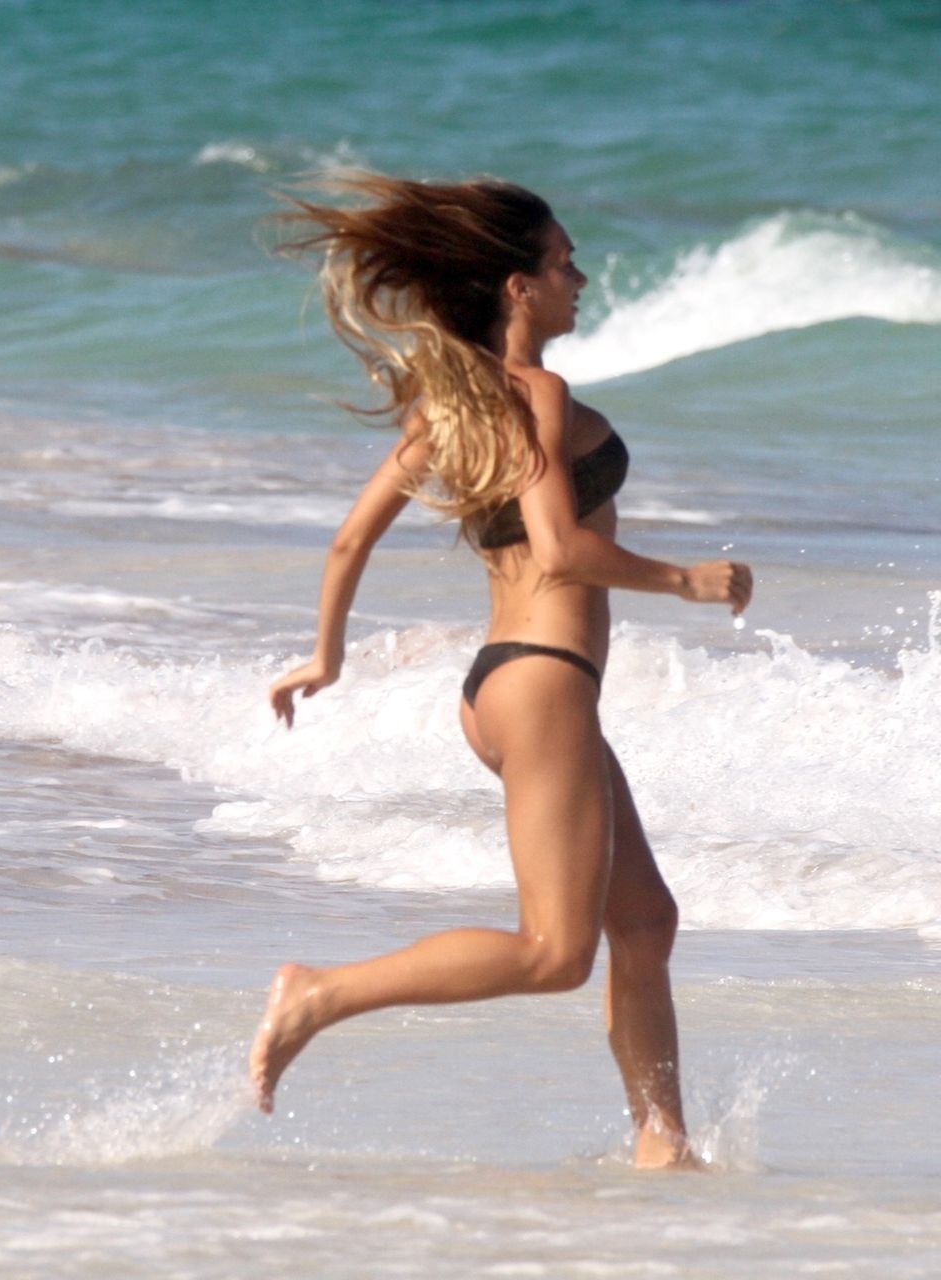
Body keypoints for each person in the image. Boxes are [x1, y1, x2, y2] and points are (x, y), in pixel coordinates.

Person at [250, 173, 752, 1169]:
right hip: (546, 679)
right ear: (517, 289)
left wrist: (326, 653)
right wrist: (686, 578)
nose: (582, 277)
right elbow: (561, 549)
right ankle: (319, 990)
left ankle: (664, 1143)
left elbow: (349, 540)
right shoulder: (538, 394)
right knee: (555, 952)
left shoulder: (452, 407)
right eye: (564, 261)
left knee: (644, 918)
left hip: (507, 683)